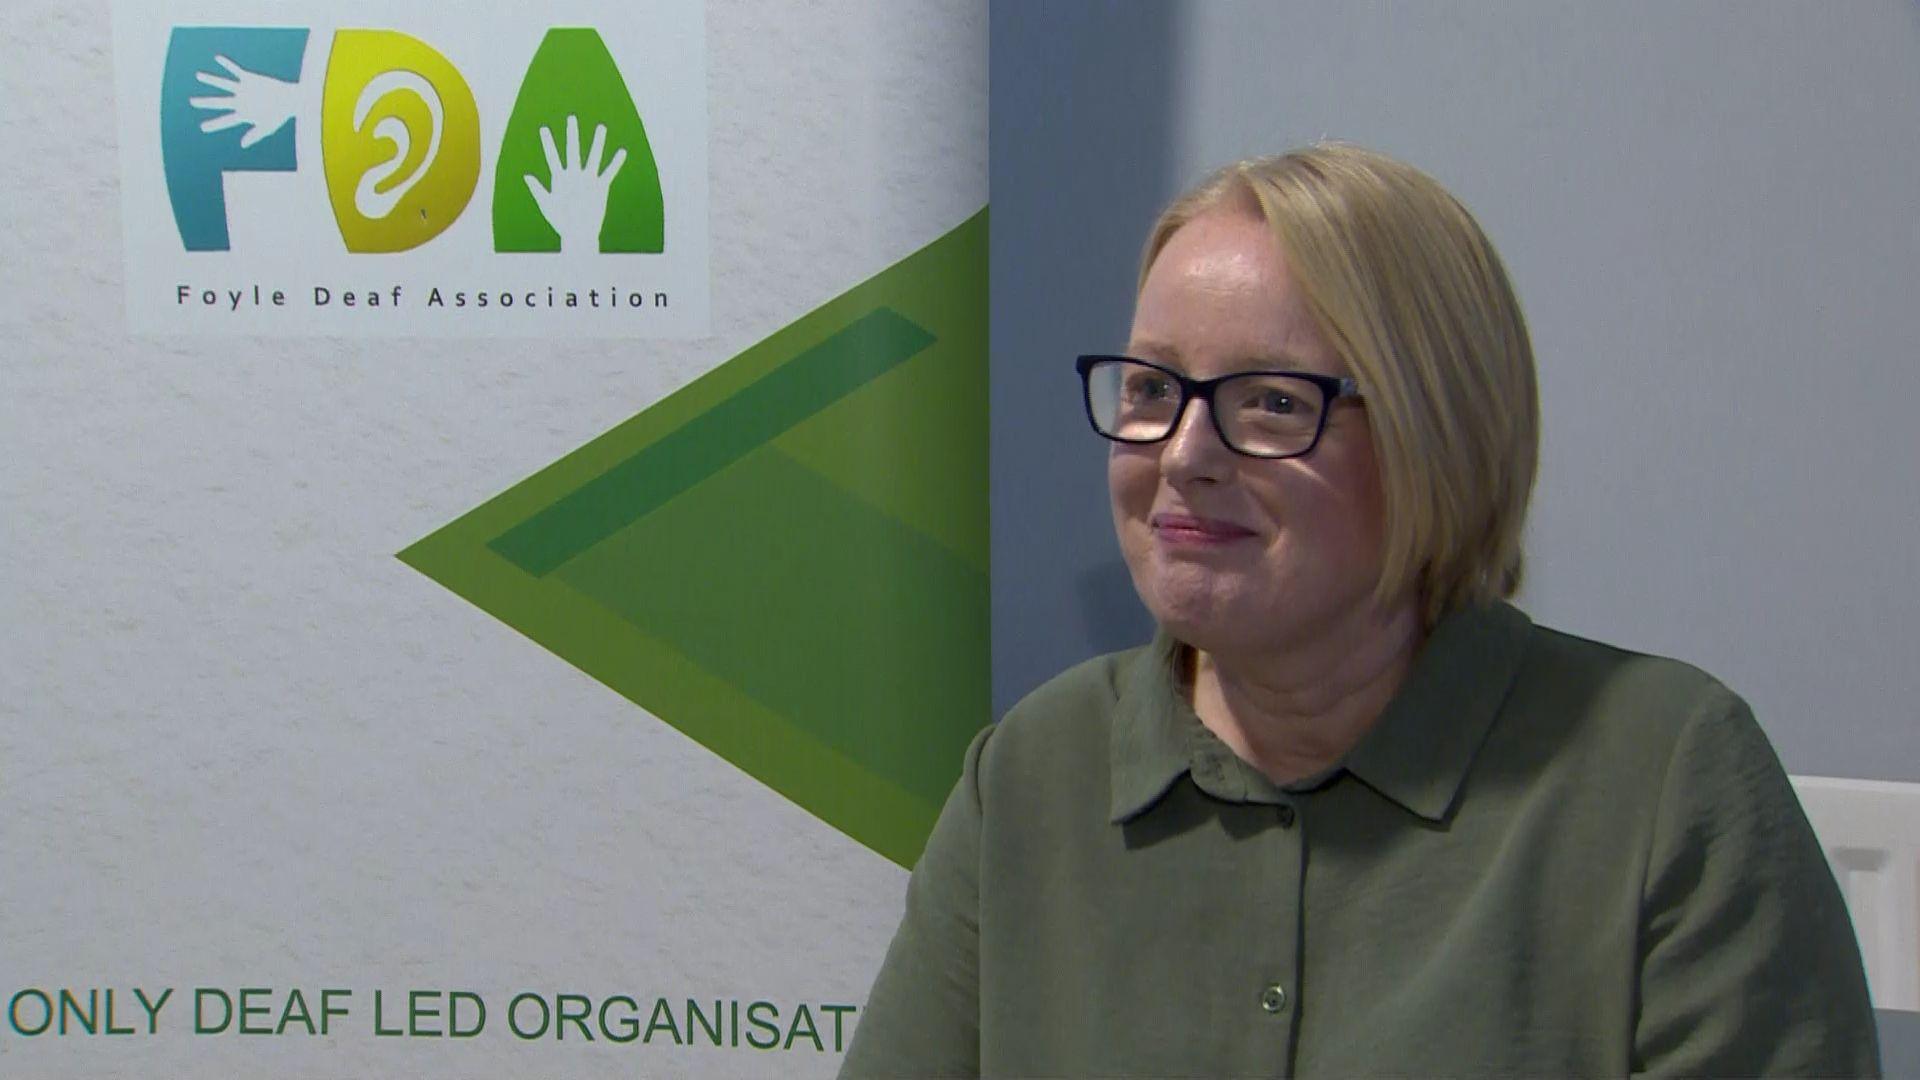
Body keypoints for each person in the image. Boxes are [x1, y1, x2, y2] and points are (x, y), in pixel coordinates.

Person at [839, 144, 1881, 1078]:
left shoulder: (1666, 780)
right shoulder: (1031, 776)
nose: (1186, 457)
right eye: (1152, 390)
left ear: (1439, 435)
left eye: (1274, 403)